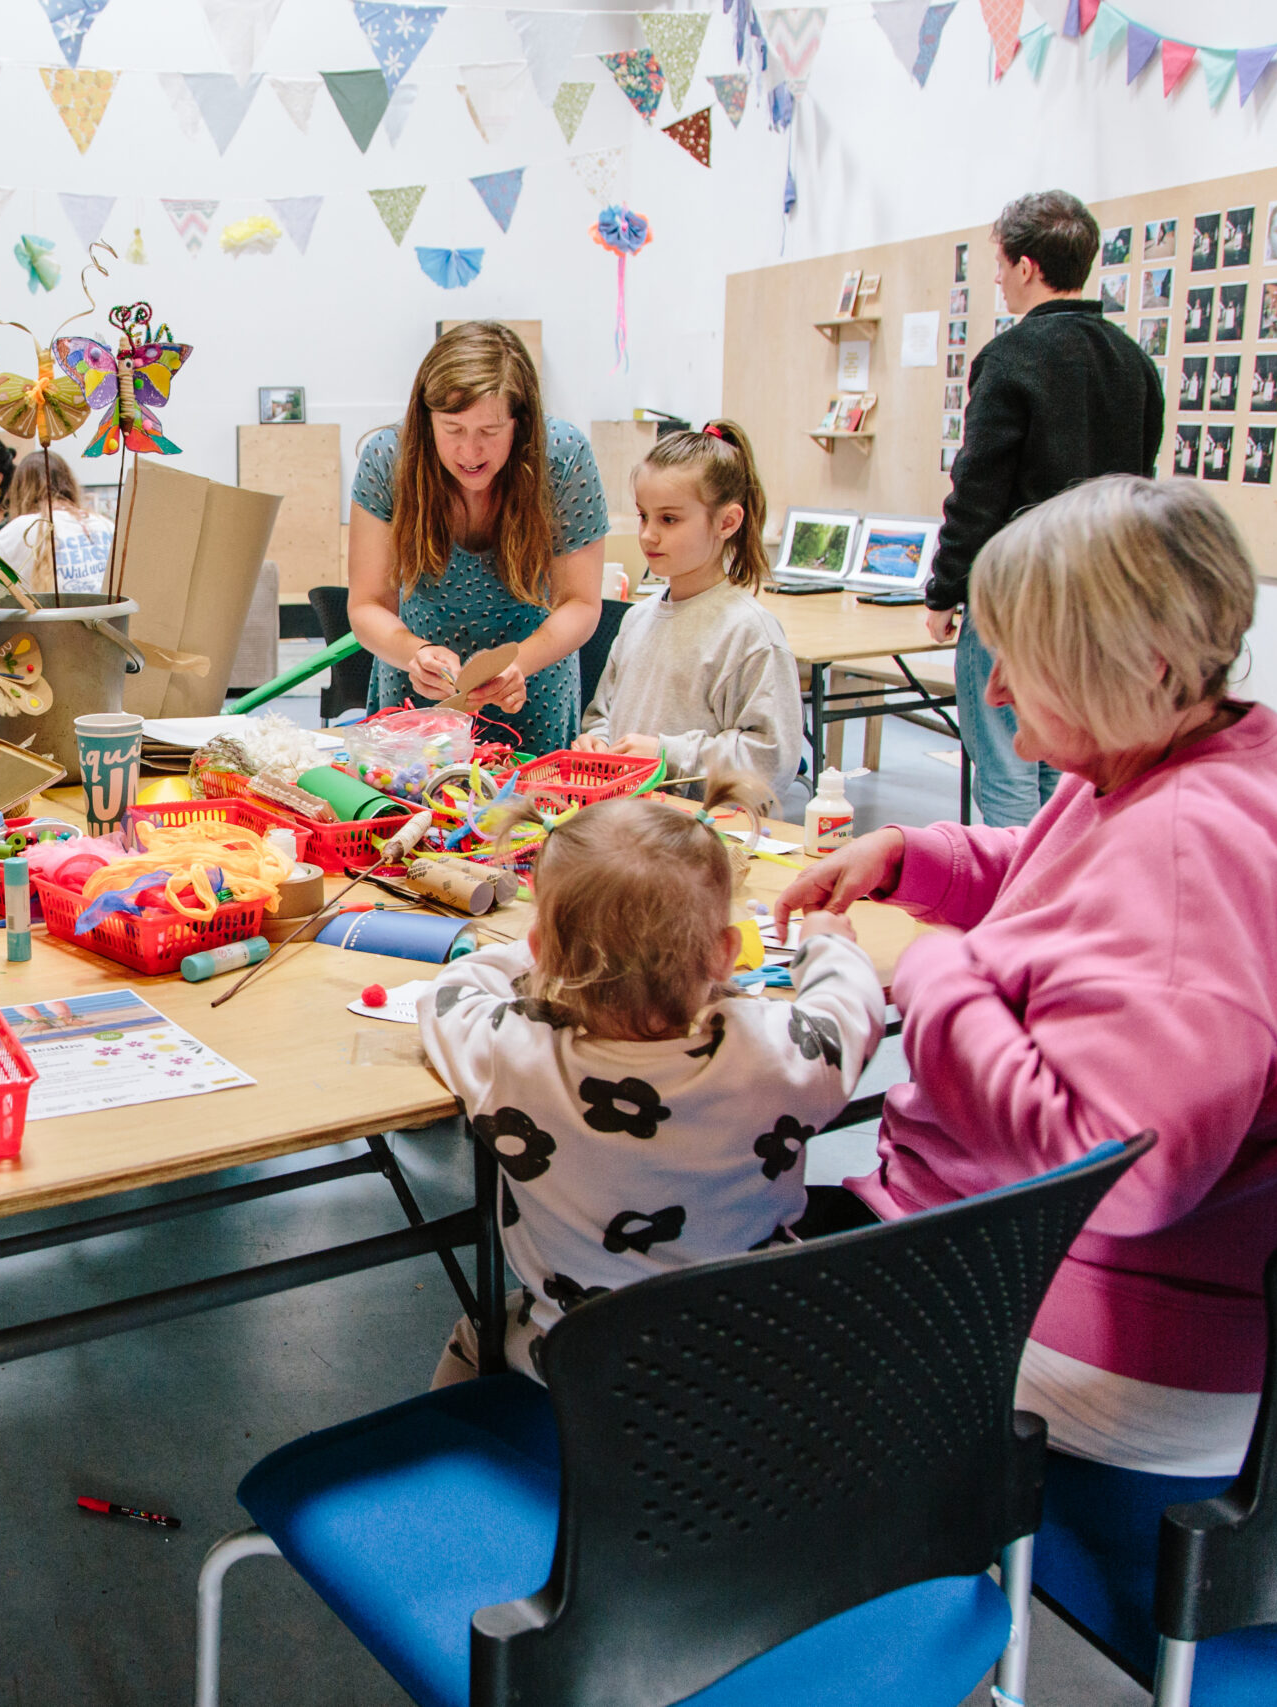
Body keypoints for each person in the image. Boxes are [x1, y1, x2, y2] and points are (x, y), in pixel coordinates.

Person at [778, 477, 1277, 1479]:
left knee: (686, 1309)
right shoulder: (1215, 747)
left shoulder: (1192, 861)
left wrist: (940, 978)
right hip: (1198, 1290)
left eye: (1019, 661)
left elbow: (1122, 1174)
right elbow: (1066, 877)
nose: (988, 691)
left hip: (1141, 1344)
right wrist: (909, 857)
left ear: (1138, 667)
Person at [420, 775, 883, 1385]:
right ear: (725, 953)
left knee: (478, 1332)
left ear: (543, 949)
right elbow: (854, 1011)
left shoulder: (512, 1053)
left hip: (584, 1368)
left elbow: (448, 994)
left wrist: (532, 958)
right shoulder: (779, 1054)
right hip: (761, 1362)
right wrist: (827, 946)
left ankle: (474, 1459)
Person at [926, 190, 1164, 826]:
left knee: (1005, 766)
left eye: (1001, 264)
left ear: (1027, 266)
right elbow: (1142, 490)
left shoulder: (1009, 359)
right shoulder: (1135, 364)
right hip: (1105, 597)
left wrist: (944, 591)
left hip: (1018, 594)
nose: (998, 278)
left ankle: (1014, 911)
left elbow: (979, 489)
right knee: (1075, 767)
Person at [347, 321, 610, 752]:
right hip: (419, 689)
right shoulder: (388, 459)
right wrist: (415, 653)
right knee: (413, 807)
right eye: (452, 429)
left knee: (528, 811)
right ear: (425, 418)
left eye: (489, 432)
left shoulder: (562, 456)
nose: (470, 452)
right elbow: (367, 604)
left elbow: (580, 602)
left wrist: (518, 663)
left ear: (520, 424)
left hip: (533, 686)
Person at [574, 421, 803, 808]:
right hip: (629, 824)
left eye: (669, 519)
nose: (648, 535)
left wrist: (668, 755)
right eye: (644, 516)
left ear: (727, 522)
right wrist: (599, 744)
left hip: (703, 837)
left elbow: (771, 761)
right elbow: (602, 715)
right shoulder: (637, 619)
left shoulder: (750, 632)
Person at [0, 449, 117, 594]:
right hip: (106, 617)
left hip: (48, 617)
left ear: (19, 490)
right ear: (69, 482)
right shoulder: (106, 525)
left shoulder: (19, 531)